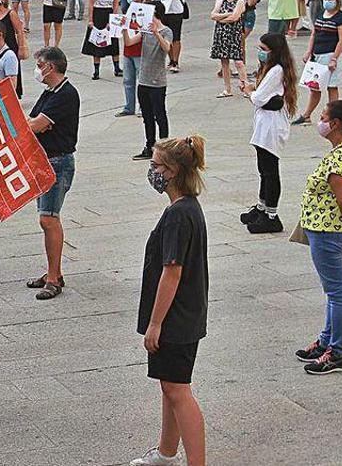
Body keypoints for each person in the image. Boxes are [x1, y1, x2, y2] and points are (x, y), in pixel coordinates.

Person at [130, 135, 209, 466]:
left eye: (156, 165)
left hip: (175, 320)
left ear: (173, 171)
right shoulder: (186, 207)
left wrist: (156, 323)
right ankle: (165, 452)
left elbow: (171, 272)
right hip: (186, 315)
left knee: (178, 391)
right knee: (170, 386)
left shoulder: (179, 215)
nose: (152, 171)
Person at [294, 100, 342, 375]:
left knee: (337, 293)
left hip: (328, 232)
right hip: (332, 231)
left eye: (324, 116)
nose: (320, 119)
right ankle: (326, 341)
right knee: (333, 290)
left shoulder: (340, 157)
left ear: (335, 124)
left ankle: (336, 352)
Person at [26, 47, 79, 300]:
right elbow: (32, 121)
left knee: (49, 218)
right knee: (45, 218)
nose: (37, 68)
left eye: (40, 64)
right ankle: (52, 271)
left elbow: (35, 125)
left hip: (57, 162)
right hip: (44, 160)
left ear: (52, 66)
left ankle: (54, 278)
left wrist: (36, 127)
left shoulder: (66, 94)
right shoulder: (50, 92)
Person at [239, 33, 296, 234]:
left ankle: (272, 215)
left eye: (264, 49)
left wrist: (249, 92)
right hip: (264, 126)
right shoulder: (270, 69)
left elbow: (259, 97)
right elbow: (261, 94)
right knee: (263, 170)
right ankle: (262, 207)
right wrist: (252, 90)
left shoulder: (277, 70)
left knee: (270, 171)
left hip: (272, 128)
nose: (260, 53)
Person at [294, 0, 342, 126]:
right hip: (318, 55)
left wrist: (334, 58)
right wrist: (308, 51)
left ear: (337, 1)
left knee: (332, 87)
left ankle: (333, 116)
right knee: (315, 87)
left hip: (332, 54)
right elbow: (314, 34)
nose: (327, 2)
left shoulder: (341, 18)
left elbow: (341, 40)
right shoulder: (321, 14)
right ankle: (307, 115)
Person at [128, 3, 173, 160]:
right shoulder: (145, 30)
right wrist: (123, 30)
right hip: (144, 80)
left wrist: (156, 33)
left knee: (160, 114)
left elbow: (167, 48)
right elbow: (129, 42)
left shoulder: (166, 31)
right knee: (147, 116)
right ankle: (149, 145)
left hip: (157, 82)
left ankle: (164, 146)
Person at [209, 0, 248, 97]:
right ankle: (227, 89)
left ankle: (246, 86)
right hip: (221, 34)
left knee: (238, 62)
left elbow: (235, 17)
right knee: (224, 62)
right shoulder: (221, 1)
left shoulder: (240, 2)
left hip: (234, 34)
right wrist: (226, 15)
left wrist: (220, 20)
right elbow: (213, 15)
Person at [82, 0, 122, 79]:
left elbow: (115, 5)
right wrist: (90, 20)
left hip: (109, 13)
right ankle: (96, 70)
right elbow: (91, 3)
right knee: (97, 41)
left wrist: (112, 20)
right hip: (98, 14)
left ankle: (117, 68)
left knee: (113, 42)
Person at [155, 0, 191, 73]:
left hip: (176, 10)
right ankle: (170, 59)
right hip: (164, 10)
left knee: (175, 36)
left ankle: (175, 60)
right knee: (166, 36)